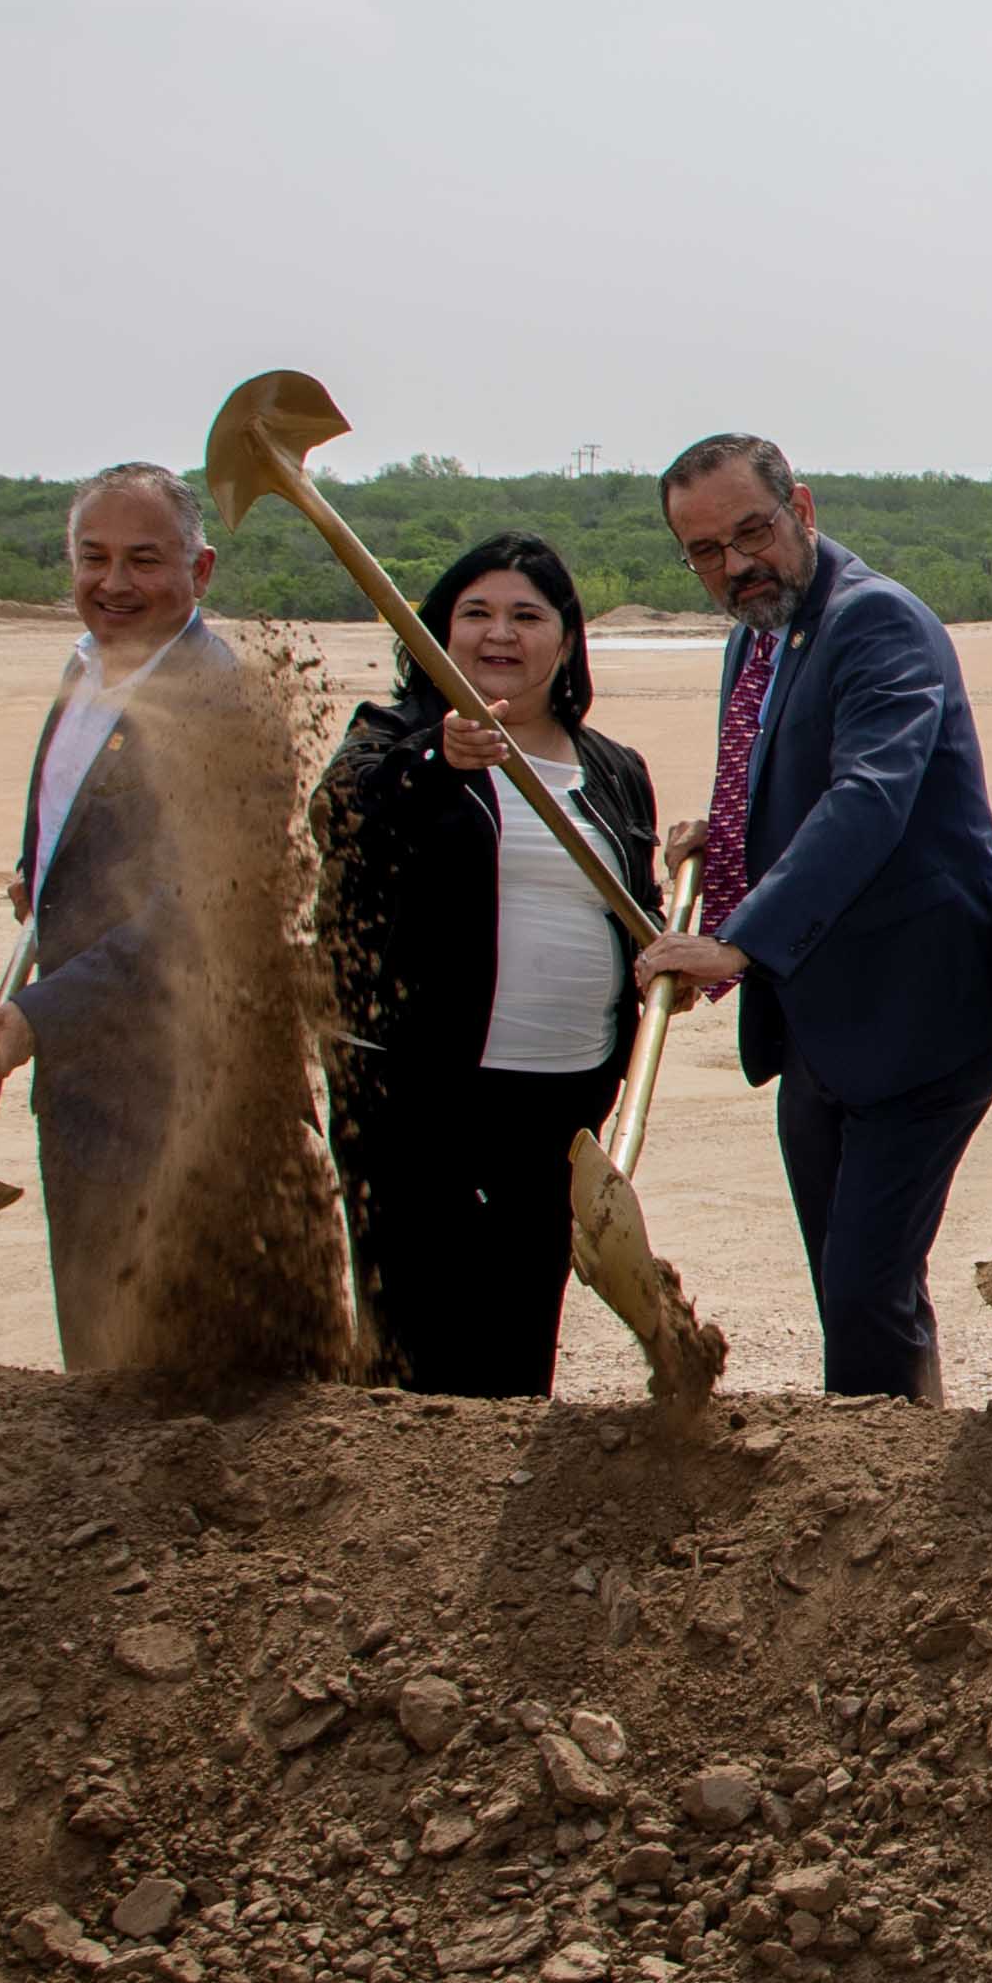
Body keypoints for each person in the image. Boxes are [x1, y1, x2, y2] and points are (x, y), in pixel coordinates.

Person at [630, 434, 992, 1399]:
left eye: (751, 532)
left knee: (864, 1290)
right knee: (856, 1290)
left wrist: (736, 940)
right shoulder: (759, 629)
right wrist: (715, 839)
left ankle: (879, 1494)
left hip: (917, 1019)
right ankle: (896, 1462)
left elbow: (867, 797)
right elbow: (784, 783)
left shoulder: (875, 620)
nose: (735, 565)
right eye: (705, 551)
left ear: (801, 506)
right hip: (821, 1029)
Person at [316, 532, 660, 1398]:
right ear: (437, 630)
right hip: (413, 1093)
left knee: (515, 1338)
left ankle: (486, 1517)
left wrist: (659, 955)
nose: (498, 633)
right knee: (412, 1339)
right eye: (475, 613)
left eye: (525, 615)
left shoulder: (615, 769)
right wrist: (440, 757)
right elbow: (342, 815)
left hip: (563, 1096)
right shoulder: (391, 739)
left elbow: (632, 911)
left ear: (567, 638)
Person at [0, 465, 249, 1367]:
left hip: (177, 1082)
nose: (114, 583)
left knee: (169, 1343)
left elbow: (195, 911)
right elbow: (77, 817)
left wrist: (36, 1016)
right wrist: (40, 878)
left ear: (199, 571)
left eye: (143, 559)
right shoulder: (85, 664)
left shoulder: (221, 698)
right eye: (93, 557)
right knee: (95, 1324)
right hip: (90, 1072)